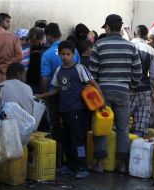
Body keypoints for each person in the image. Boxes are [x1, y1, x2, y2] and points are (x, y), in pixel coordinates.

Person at [36, 40, 103, 179]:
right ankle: (70, 165)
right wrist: (43, 95)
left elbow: (93, 83)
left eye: (68, 54)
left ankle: (82, 166)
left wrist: (102, 101)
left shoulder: (80, 68)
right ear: (59, 54)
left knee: (78, 139)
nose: (65, 57)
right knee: (66, 138)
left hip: (78, 110)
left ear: (73, 54)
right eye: (63, 54)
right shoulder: (59, 70)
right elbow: (56, 89)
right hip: (64, 110)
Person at [89, 14, 142, 173]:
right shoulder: (131, 46)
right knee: (123, 128)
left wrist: (99, 89)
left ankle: (99, 164)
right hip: (123, 92)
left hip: (102, 92)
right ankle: (123, 165)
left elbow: (92, 73)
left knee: (101, 126)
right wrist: (130, 86)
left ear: (108, 27)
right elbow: (138, 72)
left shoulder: (99, 45)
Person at [41, 23, 81, 142]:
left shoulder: (47, 54)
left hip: (53, 94)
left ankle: (57, 152)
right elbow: (78, 71)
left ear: (48, 36)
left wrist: (45, 93)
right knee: (69, 124)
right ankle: (68, 152)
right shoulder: (74, 52)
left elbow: (45, 77)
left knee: (55, 124)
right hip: (71, 95)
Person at [130, 25, 154, 137]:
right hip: (144, 90)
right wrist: (151, 90)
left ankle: (118, 152)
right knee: (140, 125)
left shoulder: (127, 46)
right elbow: (153, 75)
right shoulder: (151, 50)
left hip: (128, 88)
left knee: (120, 122)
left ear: (135, 34)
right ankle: (137, 151)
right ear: (146, 36)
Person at [0, 14, 22, 83]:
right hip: (10, 76)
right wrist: (5, 65)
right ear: (1, 23)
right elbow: (19, 57)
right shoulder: (14, 37)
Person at [27, 27, 46, 93]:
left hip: (38, 83)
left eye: (34, 41)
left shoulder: (44, 50)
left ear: (41, 39)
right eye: (30, 41)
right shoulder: (32, 48)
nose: (31, 43)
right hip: (30, 81)